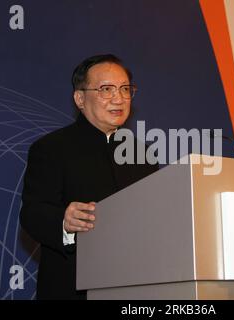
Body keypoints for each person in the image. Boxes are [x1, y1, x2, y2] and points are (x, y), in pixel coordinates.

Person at [20, 54, 158, 300]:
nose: (119, 98)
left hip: (135, 289)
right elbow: (33, 213)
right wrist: (64, 221)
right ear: (80, 98)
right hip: (72, 287)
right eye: (106, 89)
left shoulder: (142, 154)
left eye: (125, 89)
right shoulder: (51, 148)